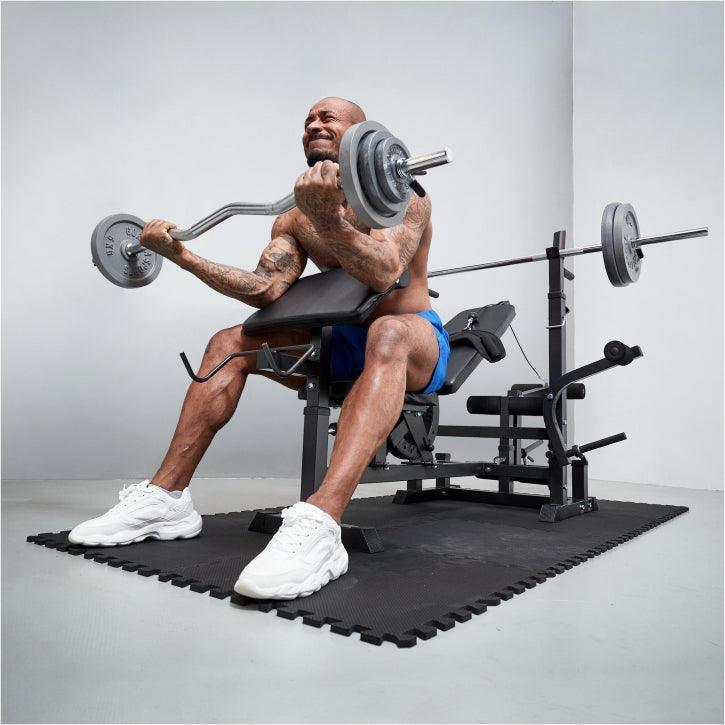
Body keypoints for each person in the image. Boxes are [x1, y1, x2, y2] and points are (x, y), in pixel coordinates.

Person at [70, 97, 450, 600]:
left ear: (362, 133)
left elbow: (384, 273)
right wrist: (182, 255)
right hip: (341, 339)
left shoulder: (402, 191)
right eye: (308, 119)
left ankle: (321, 523)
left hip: (411, 339)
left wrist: (330, 220)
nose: (314, 124)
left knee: (389, 332)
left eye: (328, 117)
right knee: (229, 342)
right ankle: (166, 499)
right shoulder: (294, 217)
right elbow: (265, 289)